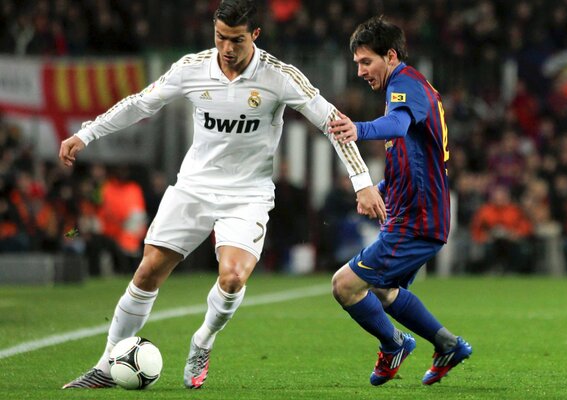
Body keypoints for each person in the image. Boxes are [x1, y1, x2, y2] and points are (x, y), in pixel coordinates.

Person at [60, 0, 385, 390]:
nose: (227, 48)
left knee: (232, 278)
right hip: (194, 187)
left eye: (237, 39)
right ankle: (105, 366)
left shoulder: (280, 76)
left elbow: (334, 123)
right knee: (147, 272)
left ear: (255, 36)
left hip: (247, 194)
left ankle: (203, 340)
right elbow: (140, 103)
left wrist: (362, 181)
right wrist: (86, 133)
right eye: (220, 37)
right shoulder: (192, 68)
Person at [328, 16, 472, 387]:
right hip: (414, 213)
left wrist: (356, 129)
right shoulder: (409, 87)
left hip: (418, 217)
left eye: (366, 62)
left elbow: (397, 126)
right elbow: (412, 157)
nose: (360, 71)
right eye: (357, 63)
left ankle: (393, 344)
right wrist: (378, 186)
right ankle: (446, 345)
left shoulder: (405, 85)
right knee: (382, 289)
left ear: (390, 56)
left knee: (345, 285)